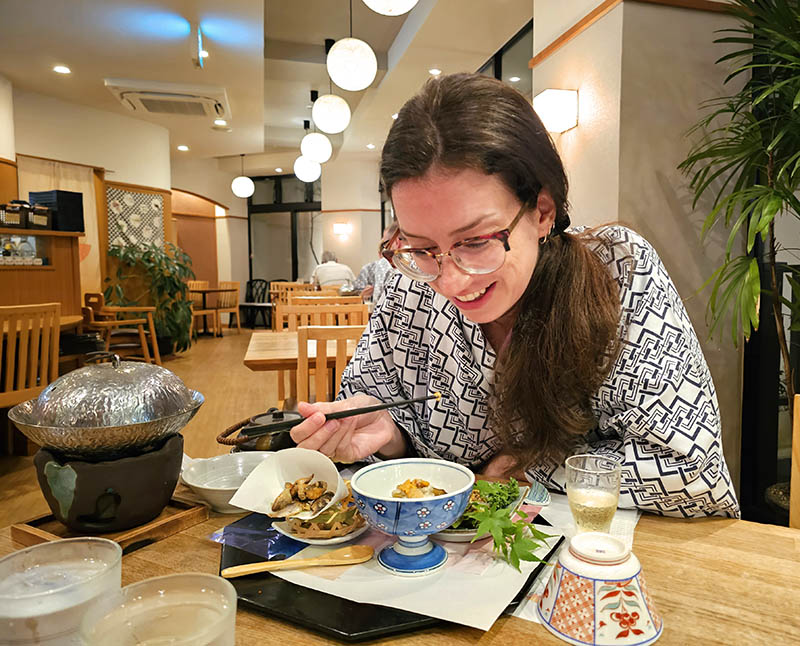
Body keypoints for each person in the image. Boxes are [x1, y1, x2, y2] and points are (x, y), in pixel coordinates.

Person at [290, 73, 739, 519]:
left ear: (542, 211)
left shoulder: (618, 270)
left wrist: (530, 468)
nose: (450, 280)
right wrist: (388, 432)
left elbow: (691, 470)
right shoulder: (408, 284)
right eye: (422, 248)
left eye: (475, 241)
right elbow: (378, 410)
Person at [353, 222, 398, 304]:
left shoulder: (385, 265)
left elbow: (377, 300)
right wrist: (363, 294)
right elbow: (356, 292)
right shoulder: (369, 268)